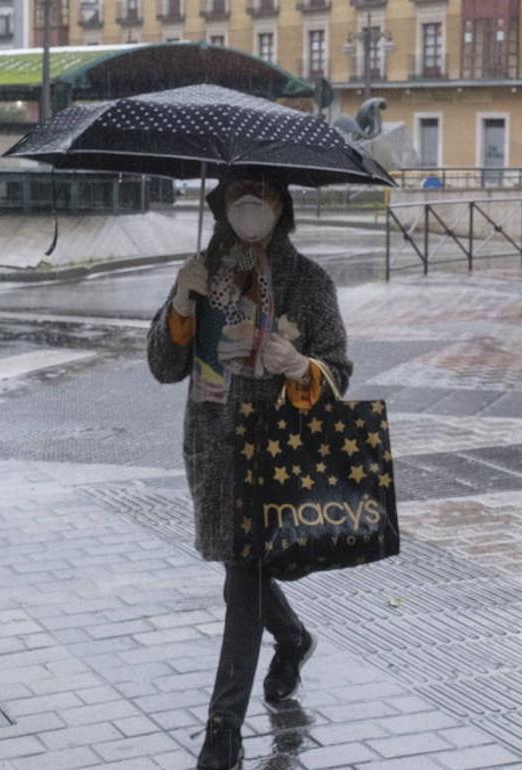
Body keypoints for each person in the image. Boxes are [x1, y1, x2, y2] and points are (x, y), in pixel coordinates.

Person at [147, 171, 353, 770]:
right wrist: (181, 305)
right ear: (220, 205)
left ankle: (223, 728)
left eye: (262, 195)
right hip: (212, 449)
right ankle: (292, 639)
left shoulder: (309, 284)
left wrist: (298, 366)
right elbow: (164, 367)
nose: (250, 206)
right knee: (243, 568)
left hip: (278, 451)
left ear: (282, 205)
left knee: (244, 574)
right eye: (239, 195)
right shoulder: (202, 272)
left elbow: (338, 372)